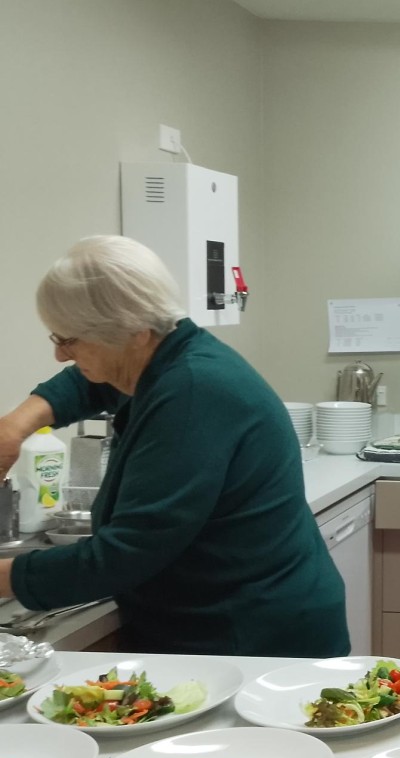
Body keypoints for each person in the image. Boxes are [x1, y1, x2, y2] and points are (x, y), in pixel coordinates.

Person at [0, 235, 349, 657]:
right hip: (230, 619)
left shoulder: (192, 393)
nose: (60, 355)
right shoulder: (169, 356)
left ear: (132, 332)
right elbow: (94, 382)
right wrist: (14, 427)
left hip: (252, 636)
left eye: (68, 340)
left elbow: (122, 556)